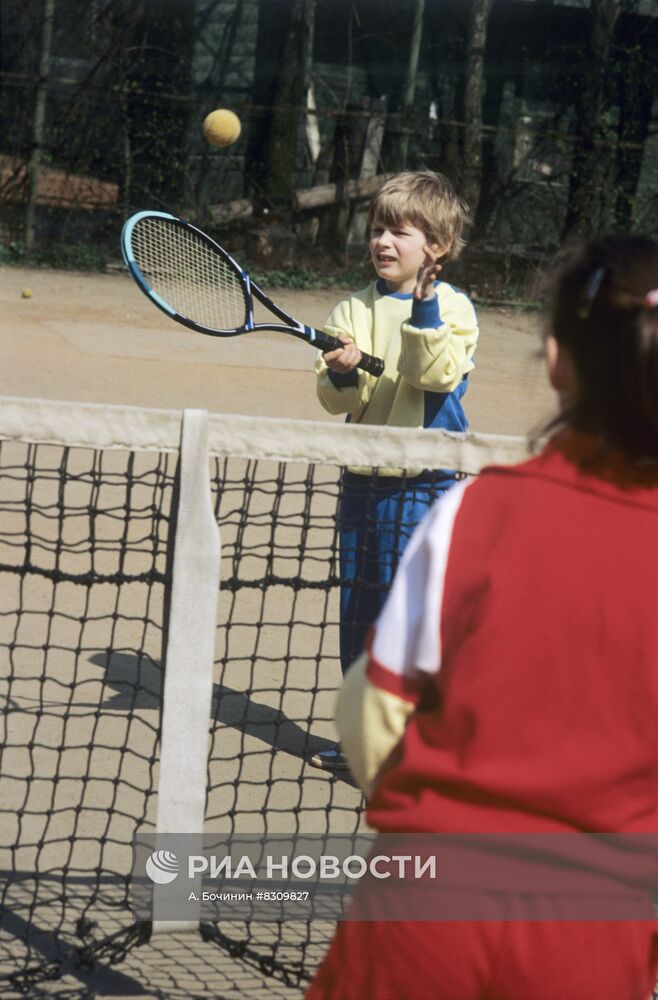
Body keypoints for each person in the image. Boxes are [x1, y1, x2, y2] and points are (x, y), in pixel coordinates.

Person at [306, 235, 658, 999]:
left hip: (421, 910)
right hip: (596, 933)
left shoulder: (474, 510)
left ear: (556, 361)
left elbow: (373, 718)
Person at [310, 170, 478, 772]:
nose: (382, 241)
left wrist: (423, 307)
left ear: (437, 246)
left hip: (427, 483)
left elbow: (433, 374)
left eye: (399, 232)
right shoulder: (351, 309)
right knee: (359, 610)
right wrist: (342, 371)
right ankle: (364, 736)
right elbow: (335, 399)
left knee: (411, 615)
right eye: (378, 228)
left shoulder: (454, 309)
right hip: (363, 482)